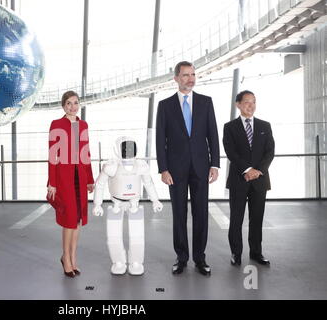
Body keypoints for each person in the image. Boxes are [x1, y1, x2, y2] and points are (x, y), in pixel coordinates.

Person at [155, 61, 220, 276]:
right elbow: (160, 140)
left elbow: (212, 134)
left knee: (201, 213)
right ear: (176, 78)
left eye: (193, 74)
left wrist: (214, 164)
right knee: (179, 213)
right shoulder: (164, 106)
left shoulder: (206, 102)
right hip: (175, 169)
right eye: (185, 75)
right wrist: (163, 169)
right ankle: (181, 257)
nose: (190, 78)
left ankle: (200, 258)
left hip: (201, 166)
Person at [92, 136, 163, 276]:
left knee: (137, 236)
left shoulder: (141, 166)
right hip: (116, 204)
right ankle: (118, 261)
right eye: (125, 148)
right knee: (113, 236)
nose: (128, 151)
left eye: (131, 147)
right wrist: (97, 204)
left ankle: (136, 262)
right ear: (117, 149)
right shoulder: (112, 166)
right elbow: (99, 184)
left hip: (134, 204)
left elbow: (149, 183)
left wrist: (155, 200)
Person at [223, 90, 275, 266]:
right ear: (238, 104)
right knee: (236, 219)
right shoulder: (229, 127)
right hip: (239, 179)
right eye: (246, 102)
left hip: (259, 180)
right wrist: (247, 169)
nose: (250, 105)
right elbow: (231, 152)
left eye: (253, 102)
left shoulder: (265, 126)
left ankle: (256, 253)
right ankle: (236, 254)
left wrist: (257, 171)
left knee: (257, 219)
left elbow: (270, 152)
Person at [47, 91, 94, 278]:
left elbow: (86, 153)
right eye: (69, 103)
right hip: (64, 179)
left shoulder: (83, 125)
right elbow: (52, 155)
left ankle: (73, 257)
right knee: (69, 220)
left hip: (80, 178)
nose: (73, 106)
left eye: (76, 103)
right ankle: (65, 258)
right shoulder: (56, 125)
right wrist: (52, 182)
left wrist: (90, 179)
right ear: (63, 106)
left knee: (79, 220)